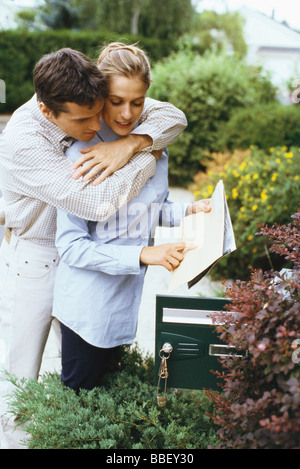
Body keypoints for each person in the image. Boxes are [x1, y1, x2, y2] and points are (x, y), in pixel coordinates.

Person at [0, 47, 187, 449]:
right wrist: (145, 154)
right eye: (84, 119)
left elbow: (173, 117)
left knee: (79, 365)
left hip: (82, 263)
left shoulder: (87, 91)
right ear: (51, 114)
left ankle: (64, 432)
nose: (97, 123)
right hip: (36, 256)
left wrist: (130, 142)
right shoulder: (24, 139)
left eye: (98, 110)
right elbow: (94, 203)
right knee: (20, 375)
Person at [52, 43, 211, 393]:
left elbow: (153, 208)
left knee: (108, 404)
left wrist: (188, 209)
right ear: (100, 95)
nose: (127, 114)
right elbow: (71, 247)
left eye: (137, 102)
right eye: (116, 101)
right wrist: (143, 255)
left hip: (124, 303)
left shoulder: (154, 147)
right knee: (81, 406)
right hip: (85, 309)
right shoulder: (81, 154)